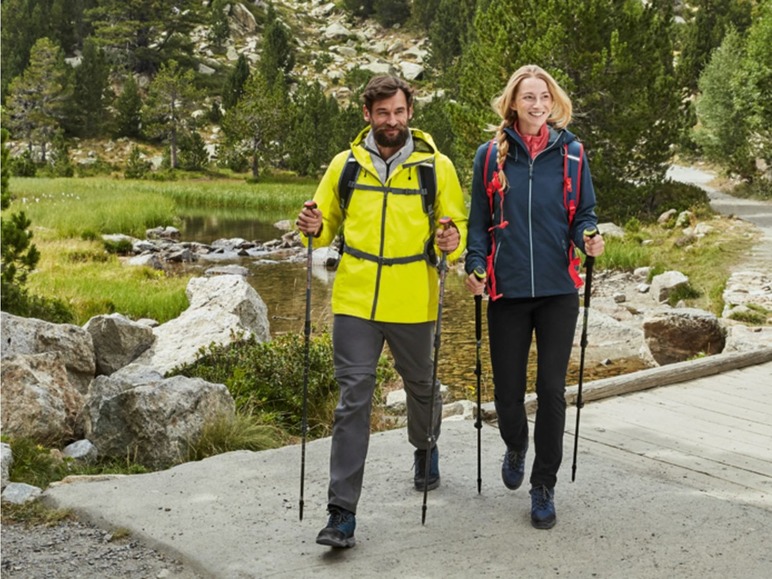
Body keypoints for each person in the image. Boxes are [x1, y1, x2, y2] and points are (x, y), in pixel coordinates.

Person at [296, 75, 467, 548]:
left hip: (413, 295)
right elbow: (324, 223)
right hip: (354, 299)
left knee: (422, 386)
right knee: (353, 400)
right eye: (382, 113)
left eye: (398, 112)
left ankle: (426, 446)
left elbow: (455, 223)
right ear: (368, 115)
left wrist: (452, 240)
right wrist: (311, 225)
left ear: (410, 112)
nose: (391, 121)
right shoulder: (343, 165)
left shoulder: (436, 166)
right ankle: (341, 514)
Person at [464, 65, 605, 530]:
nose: (537, 103)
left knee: (550, 391)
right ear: (513, 103)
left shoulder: (573, 154)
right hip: (507, 291)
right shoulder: (490, 157)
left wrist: (589, 235)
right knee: (507, 393)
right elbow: (479, 224)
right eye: (528, 97)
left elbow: (584, 212)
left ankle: (543, 484)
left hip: (558, 291)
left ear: (553, 101)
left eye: (543, 96)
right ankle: (516, 444)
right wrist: (474, 265)